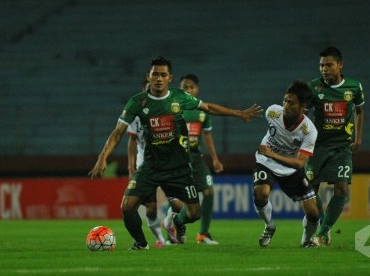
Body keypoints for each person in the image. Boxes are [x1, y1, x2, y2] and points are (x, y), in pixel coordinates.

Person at [89, 56, 262, 250]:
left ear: (170, 77)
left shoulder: (179, 97)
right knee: (127, 207)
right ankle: (141, 243)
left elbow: (208, 107)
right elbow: (118, 132)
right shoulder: (137, 102)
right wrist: (102, 157)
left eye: (163, 75)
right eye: (155, 74)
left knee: (194, 213)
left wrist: (238, 113)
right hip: (151, 167)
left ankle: (178, 222)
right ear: (148, 76)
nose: (159, 78)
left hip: (178, 168)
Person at [305, 46, 365, 246]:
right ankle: (323, 221)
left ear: (340, 65)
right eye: (321, 65)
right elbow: (303, 114)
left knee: (341, 188)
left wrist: (358, 139)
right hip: (317, 146)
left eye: (329, 65)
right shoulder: (314, 87)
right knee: (310, 190)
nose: (324, 69)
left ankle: (322, 233)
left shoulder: (354, 87)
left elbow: (359, 111)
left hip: (341, 147)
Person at [253, 80, 320, 248]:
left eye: (291, 103)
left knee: (313, 213)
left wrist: (272, 153)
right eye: (284, 100)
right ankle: (269, 225)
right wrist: (269, 155)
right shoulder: (272, 113)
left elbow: (299, 163)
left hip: (290, 168)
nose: (285, 105)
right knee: (260, 193)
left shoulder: (309, 131)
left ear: (303, 106)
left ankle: (307, 239)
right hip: (265, 161)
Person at [162, 74, 223, 245]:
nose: (188, 90)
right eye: (185, 87)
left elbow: (208, 135)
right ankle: (171, 236)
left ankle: (203, 234)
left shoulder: (202, 111)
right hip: (178, 159)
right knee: (177, 200)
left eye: (191, 87)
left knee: (209, 192)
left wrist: (216, 159)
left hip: (197, 158)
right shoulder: (174, 108)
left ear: (197, 89)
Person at [126, 79, 165, 248]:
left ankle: (171, 224)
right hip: (146, 164)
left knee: (178, 204)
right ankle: (159, 238)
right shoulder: (137, 113)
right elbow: (132, 140)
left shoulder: (166, 109)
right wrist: (131, 166)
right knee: (150, 209)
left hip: (166, 163)